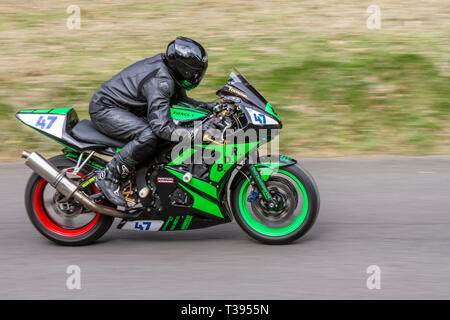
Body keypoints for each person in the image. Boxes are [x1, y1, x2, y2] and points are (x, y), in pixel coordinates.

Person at [89, 36, 215, 206]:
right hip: (107, 109)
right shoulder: (161, 82)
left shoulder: (171, 74)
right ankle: (109, 176)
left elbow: (180, 102)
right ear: (182, 67)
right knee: (149, 134)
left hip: (128, 108)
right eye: (194, 71)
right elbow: (161, 127)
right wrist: (195, 134)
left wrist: (209, 108)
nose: (196, 75)